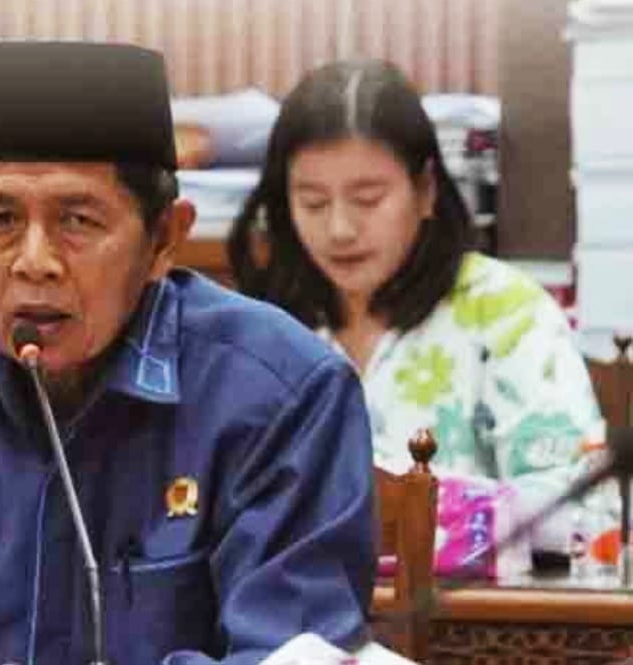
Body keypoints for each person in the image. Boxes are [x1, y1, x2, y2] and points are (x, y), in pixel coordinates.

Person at [0, 42, 376, 664]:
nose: (34, 261)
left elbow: (289, 652)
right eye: (2, 221)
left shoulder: (282, 392)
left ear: (164, 238)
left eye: (78, 221)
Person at [228, 60, 604, 547]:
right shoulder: (263, 323)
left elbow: (584, 513)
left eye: (368, 199)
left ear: (425, 189)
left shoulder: (507, 313)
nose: (339, 229)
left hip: (466, 596)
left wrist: (433, 511)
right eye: (313, 203)